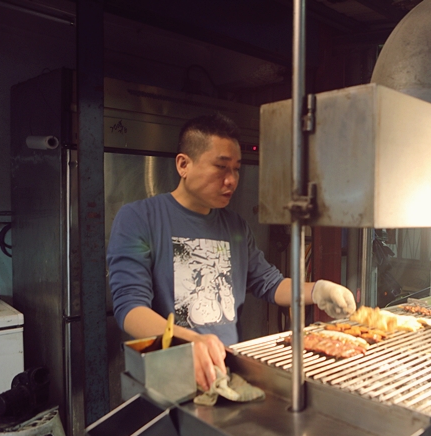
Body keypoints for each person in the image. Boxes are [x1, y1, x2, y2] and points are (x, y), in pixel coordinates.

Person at [107, 113, 356, 391]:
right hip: (168, 378)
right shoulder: (140, 219)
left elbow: (270, 284)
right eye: (221, 167)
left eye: (236, 169)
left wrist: (317, 290)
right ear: (183, 165)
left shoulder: (235, 226)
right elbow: (130, 309)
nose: (231, 181)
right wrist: (190, 340)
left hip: (226, 372)